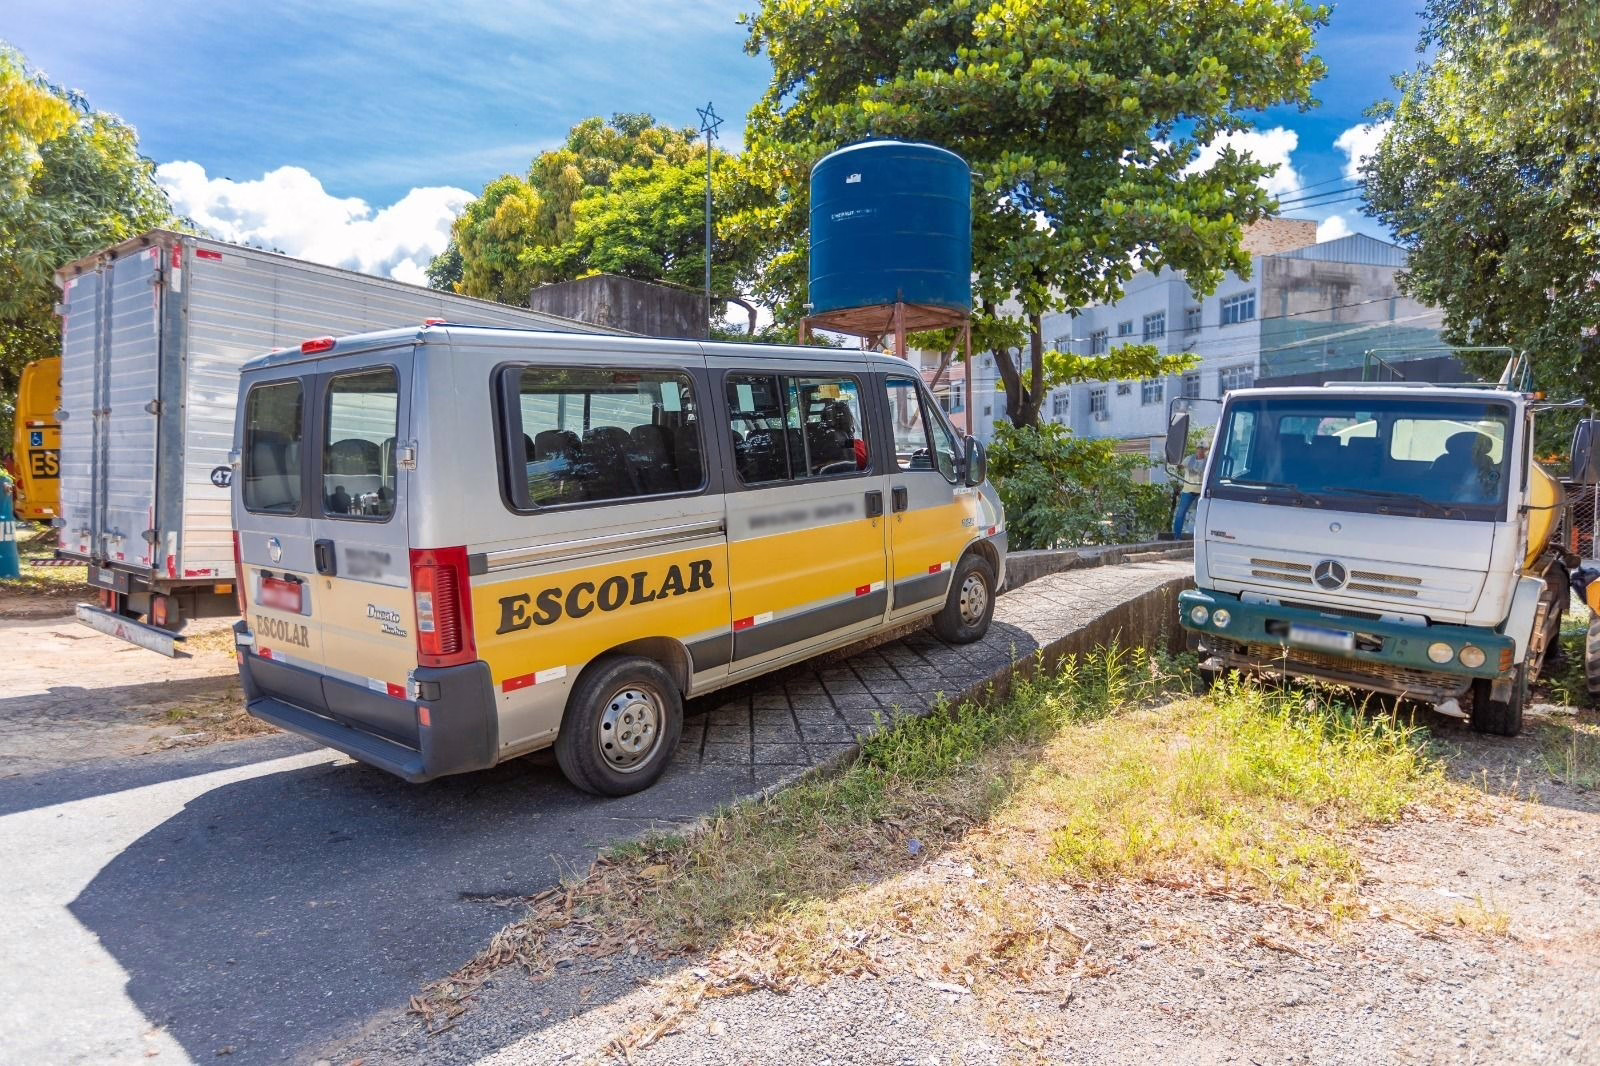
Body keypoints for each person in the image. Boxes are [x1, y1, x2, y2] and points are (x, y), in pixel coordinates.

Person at [1172, 443, 1208, 537]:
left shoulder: (1208, 461)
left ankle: (1199, 537)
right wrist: (1179, 465)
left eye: (1203, 448)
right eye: (1199, 448)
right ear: (1196, 449)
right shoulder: (1189, 459)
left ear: (1206, 450)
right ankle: (1177, 536)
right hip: (1188, 490)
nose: (1200, 450)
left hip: (1201, 492)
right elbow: (1180, 467)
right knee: (1180, 513)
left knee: (1202, 515)